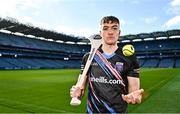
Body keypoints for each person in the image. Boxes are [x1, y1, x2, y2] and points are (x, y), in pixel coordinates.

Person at [70, 16, 144, 113]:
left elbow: (134, 92)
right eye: (105, 28)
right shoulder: (88, 57)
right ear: (100, 33)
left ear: (119, 32)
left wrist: (134, 97)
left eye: (114, 28)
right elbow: (80, 88)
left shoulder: (129, 59)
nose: (110, 32)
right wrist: (76, 94)